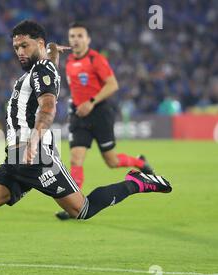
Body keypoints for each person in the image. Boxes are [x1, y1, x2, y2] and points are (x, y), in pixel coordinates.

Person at [0, 20, 172, 275]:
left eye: (24, 45)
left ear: (37, 43)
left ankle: (136, 183)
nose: (19, 51)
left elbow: (48, 106)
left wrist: (35, 138)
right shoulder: (40, 69)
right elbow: (50, 71)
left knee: (82, 210)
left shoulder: (42, 69)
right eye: (15, 47)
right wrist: (53, 50)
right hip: (16, 159)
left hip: (37, 158)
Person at [55, 22, 156, 220]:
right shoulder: (68, 62)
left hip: (100, 113)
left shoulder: (96, 59)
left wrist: (91, 102)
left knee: (112, 161)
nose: (75, 39)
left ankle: (139, 162)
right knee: (76, 159)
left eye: (80, 36)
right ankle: (75, 205)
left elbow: (113, 85)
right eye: (72, 36)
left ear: (88, 39)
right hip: (78, 116)